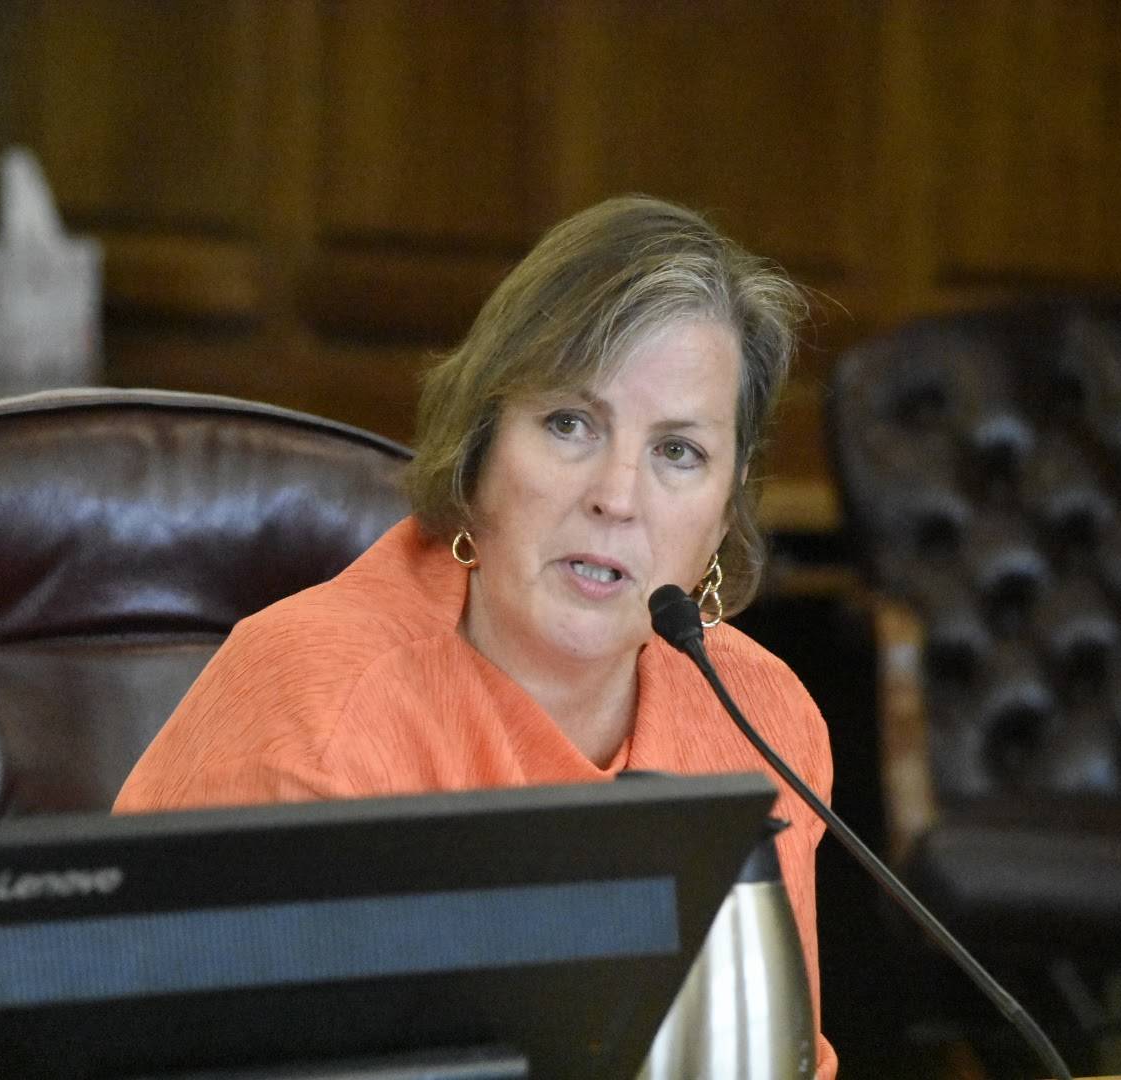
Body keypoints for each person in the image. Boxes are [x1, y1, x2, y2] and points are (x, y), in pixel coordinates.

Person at [114, 194, 837, 1078]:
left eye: (677, 452)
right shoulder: (320, 717)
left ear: (727, 507)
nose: (617, 495)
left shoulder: (761, 722)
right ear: (481, 447)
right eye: (571, 423)